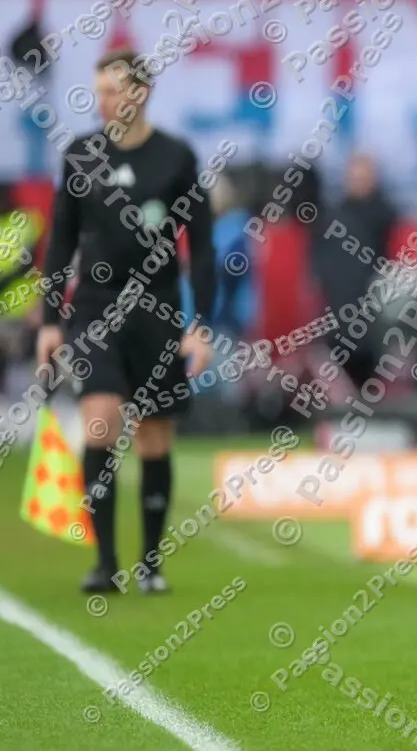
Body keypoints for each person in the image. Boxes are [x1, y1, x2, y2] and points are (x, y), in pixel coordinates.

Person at [36, 48, 214, 594]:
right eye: (100, 92)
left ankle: (151, 564)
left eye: (114, 91)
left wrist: (200, 323)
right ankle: (106, 562)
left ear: (142, 93)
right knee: (100, 419)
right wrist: (50, 320)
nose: (105, 102)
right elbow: (61, 238)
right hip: (96, 304)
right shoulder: (80, 155)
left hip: (158, 308)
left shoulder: (177, 158)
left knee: (155, 435)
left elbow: (202, 247)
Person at [310, 152, 397, 388]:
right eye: (353, 177)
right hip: (336, 316)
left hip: (375, 316)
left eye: (363, 176)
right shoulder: (330, 219)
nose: (357, 182)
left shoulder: (387, 217)